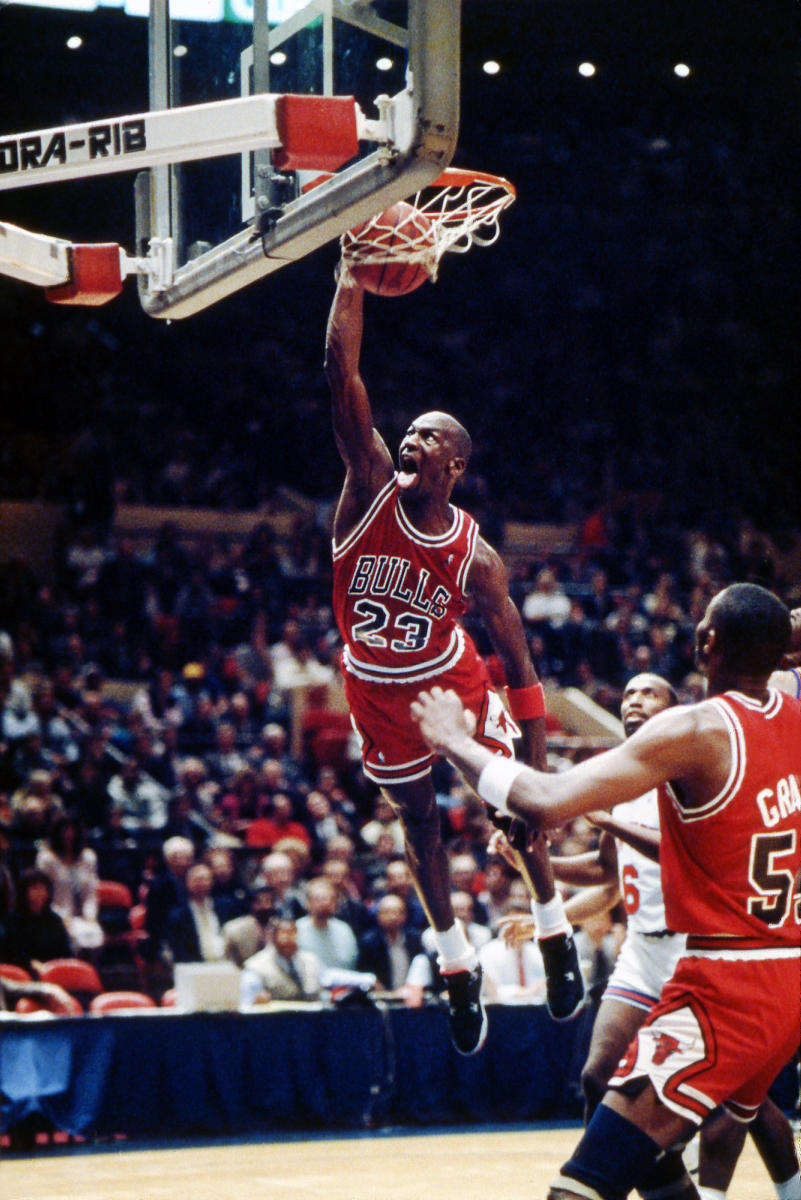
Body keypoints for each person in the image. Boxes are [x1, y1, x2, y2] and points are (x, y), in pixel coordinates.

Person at [410, 582, 801, 1200]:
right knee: (625, 1102)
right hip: (784, 973)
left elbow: (547, 798)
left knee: (580, 1188)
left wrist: (455, 741)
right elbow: (606, 871)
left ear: (706, 644)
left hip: (726, 983)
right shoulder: (792, 714)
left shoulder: (695, 730)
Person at [324, 273, 583, 1054]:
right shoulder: (366, 484)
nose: (413, 437)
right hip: (374, 688)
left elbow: (522, 663)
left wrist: (536, 774)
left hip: (452, 680)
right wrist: (349, 275)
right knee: (420, 822)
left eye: (432, 436)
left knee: (512, 809)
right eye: (410, 430)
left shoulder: (476, 558)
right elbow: (340, 370)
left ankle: (552, 926)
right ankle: (455, 965)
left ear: (456, 465)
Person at [35, 811, 104, 955]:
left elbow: (91, 893)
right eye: (65, 830)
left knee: (95, 936)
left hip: (83, 917)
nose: (69, 834)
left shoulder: (88, 857)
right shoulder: (46, 859)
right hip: (57, 916)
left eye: (72, 829)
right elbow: (45, 895)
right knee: (73, 938)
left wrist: (90, 916)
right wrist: (61, 918)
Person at [240, 916, 322, 1005]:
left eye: (293, 933)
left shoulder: (310, 960)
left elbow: (327, 981)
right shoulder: (256, 966)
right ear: (273, 938)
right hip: (276, 1017)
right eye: (284, 934)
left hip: (311, 1015)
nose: (289, 939)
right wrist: (256, 1001)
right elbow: (246, 1004)